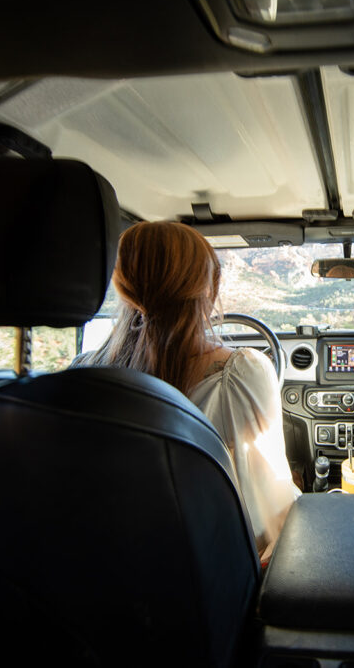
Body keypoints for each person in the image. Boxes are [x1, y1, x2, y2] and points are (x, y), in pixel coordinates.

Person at [81, 221, 299, 564]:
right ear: (209, 291)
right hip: (216, 582)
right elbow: (271, 512)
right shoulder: (242, 372)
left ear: (123, 288)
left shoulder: (83, 372)